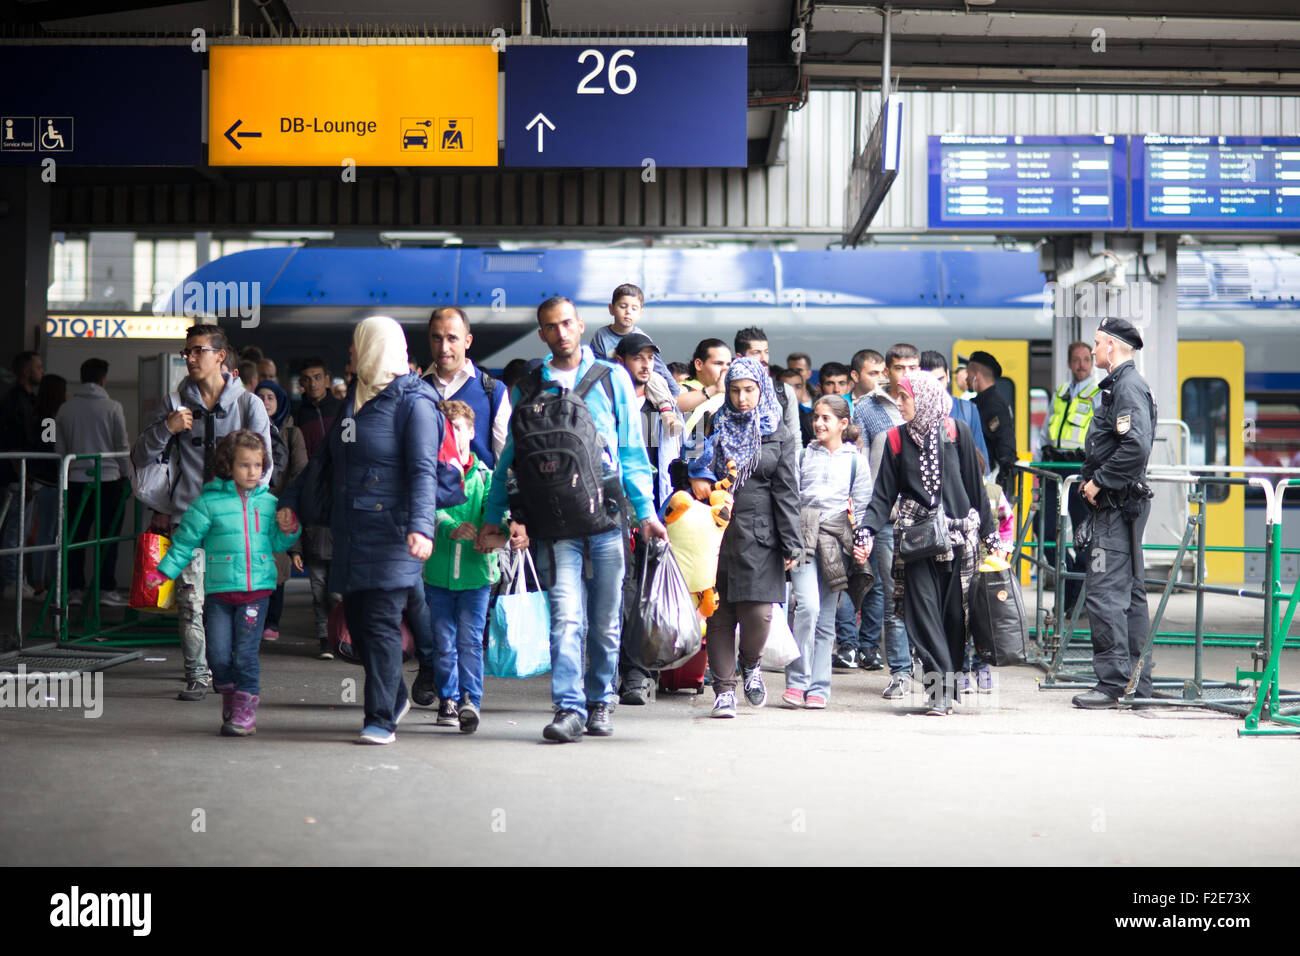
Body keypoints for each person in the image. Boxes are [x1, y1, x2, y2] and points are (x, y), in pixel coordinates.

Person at [476, 297, 668, 744]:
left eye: (567, 324)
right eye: (550, 327)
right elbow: (512, 456)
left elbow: (632, 453)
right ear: (541, 334)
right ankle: (569, 708)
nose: (561, 333)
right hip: (554, 522)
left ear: (581, 326)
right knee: (566, 619)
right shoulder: (528, 383)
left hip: (608, 518)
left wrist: (646, 513)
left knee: (604, 621)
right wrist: (494, 515)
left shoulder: (612, 377)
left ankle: (601, 700)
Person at [281, 315, 465, 744]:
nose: (350, 353)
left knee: (381, 623)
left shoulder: (414, 403)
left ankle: (380, 717)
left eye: (356, 344)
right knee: (360, 625)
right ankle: (396, 693)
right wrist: (290, 502)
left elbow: (422, 470)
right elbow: (326, 461)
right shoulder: (354, 403)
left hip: (395, 532)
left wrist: (422, 527)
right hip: (352, 531)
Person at [133, 324, 273, 701]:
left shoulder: (249, 405)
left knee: (228, 601)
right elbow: (141, 455)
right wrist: (167, 428)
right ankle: (197, 674)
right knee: (191, 600)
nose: (190, 358)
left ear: (220, 356)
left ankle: (228, 670)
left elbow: (266, 466)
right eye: (187, 351)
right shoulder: (174, 403)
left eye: (198, 351)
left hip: (233, 526)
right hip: (188, 519)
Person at [856, 372, 1003, 715]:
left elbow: (975, 491)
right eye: (898, 397)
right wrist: (865, 530)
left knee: (954, 618)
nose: (899, 403)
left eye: (904, 398)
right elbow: (882, 496)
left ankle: (947, 690)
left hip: (958, 541)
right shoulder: (894, 440)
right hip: (917, 543)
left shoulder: (956, 432)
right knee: (922, 617)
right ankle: (938, 692)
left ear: (922, 399)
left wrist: (991, 537)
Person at [149, 431, 300, 736]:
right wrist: (164, 572)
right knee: (217, 656)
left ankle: (245, 711)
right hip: (219, 592)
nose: (253, 472)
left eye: (258, 465)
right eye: (245, 465)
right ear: (227, 466)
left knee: (245, 654)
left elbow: (277, 541)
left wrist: (290, 528)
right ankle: (231, 699)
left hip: (256, 592)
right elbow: (185, 542)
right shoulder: (208, 503)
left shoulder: (270, 503)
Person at [413, 307, 519, 705]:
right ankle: (439, 679)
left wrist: (506, 519)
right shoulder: (414, 389)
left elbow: (504, 458)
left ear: (467, 341)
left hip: (477, 512)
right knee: (430, 611)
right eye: (437, 338)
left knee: (469, 622)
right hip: (426, 516)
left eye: (453, 337)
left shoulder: (492, 391)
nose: (444, 346)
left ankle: (461, 695)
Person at [687, 356, 801, 719]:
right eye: (734, 390)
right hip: (716, 531)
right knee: (718, 613)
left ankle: (750, 664)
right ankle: (723, 691)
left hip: (762, 532)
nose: (741, 398)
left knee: (758, 614)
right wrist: (696, 474)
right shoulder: (712, 421)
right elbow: (687, 459)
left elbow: (787, 490)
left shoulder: (777, 431)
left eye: (749, 390)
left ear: (761, 388)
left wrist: (791, 542)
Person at [1072, 317, 1156, 710]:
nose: (1092, 350)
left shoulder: (1126, 387)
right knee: (1131, 595)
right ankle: (1136, 683)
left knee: (1105, 594)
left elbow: (1135, 447)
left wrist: (1098, 482)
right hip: (1124, 506)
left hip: (1115, 506)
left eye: (1096, 343)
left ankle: (1112, 683)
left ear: (1111, 347)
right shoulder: (1123, 387)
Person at [783, 395, 872, 709]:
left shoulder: (855, 461)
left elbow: (861, 510)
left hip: (836, 543)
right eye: (816, 417)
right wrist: (786, 542)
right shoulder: (802, 457)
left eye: (826, 419)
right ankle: (797, 680)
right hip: (802, 538)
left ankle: (819, 687)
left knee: (826, 618)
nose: (818, 423)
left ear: (843, 424)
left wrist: (863, 544)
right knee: (806, 606)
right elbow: (789, 501)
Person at [423, 400, 499, 734]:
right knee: (442, 642)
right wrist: (447, 526)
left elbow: (494, 511)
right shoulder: (431, 474)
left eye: (458, 428)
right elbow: (427, 508)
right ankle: (448, 698)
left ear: (471, 431)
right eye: (445, 429)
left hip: (475, 575)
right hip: (437, 573)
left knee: (469, 641)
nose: (451, 435)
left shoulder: (485, 475)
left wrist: (492, 531)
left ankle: (471, 700)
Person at [850, 343, 919, 691]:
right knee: (894, 596)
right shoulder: (866, 408)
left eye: (912, 367)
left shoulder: (932, 406)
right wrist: (863, 520)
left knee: (930, 595)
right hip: (888, 518)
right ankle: (901, 672)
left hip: (926, 519)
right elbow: (859, 464)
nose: (905, 374)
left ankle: (932, 664)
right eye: (898, 367)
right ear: (886, 370)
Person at [56, 358, 130, 606]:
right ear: (103, 379)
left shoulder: (66, 409)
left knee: (76, 537)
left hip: (75, 480)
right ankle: (105, 589)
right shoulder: (113, 407)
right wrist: (127, 475)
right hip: (109, 480)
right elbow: (121, 445)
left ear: (82, 376)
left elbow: (61, 448)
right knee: (107, 537)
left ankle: (74, 589)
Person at [1040, 341, 1101, 612]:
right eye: (1076, 359)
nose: (1081, 364)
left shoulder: (1098, 393)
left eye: (1086, 359)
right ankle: (1070, 590)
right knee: (1046, 533)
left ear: (1092, 361)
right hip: (1054, 469)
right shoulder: (1061, 392)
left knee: (1084, 536)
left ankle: (1073, 597)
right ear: (1069, 363)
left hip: (1081, 473)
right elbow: (1045, 431)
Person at [291, 357, 343, 660]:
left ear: (327, 378)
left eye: (317, 377)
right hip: (312, 492)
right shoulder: (300, 416)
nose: (312, 384)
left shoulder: (342, 411)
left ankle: (340, 635)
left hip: (337, 492)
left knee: (337, 590)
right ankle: (325, 637)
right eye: (306, 379)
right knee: (318, 588)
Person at [254, 379, 307, 642]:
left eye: (270, 398)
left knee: (278, 563)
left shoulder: (291, 432)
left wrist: (288, 502)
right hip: (252, 507)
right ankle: (255, 618)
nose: (264, 402)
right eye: (260, 396)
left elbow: (299, 471)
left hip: (279, 506)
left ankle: (272, 619)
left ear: (280, 402)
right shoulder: (247, 429)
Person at [0, 350, 43, 599]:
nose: (42, 371)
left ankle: (17, 580)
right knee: (16, 529)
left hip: (24, 474)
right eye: (38, 367)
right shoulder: (16, 401)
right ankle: (11, 582)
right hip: (17, 476)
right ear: (26, 371)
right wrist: (23, 477)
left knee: (22, 530)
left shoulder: (28, 400)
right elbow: (13, 444)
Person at [589, 283, 680, 399]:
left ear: (640, 313)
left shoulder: (642, 338)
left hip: (638, 392)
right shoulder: (601, 336)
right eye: (623, 306)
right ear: (611, 309)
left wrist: (674, 391)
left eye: (634, 308)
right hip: (611, 391)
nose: (628, 312)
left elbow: (659, 368)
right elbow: (595, 370)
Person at [29, 374, 67, 595]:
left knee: (49, 533)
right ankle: (40, 583)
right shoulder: (49, 419)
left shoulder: (43, 416)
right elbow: (49, 449)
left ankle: (48, 582)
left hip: (45, 482)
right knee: (47, 533)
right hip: (49, 482)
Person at [920, 350, 988, 466]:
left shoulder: (968, 410)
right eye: (930, 381)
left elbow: (981, 460)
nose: (937, 386)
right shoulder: (911, 412)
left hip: (961, 481)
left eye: (940, 379)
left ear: (947, 375)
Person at [734, 327, 801, 440]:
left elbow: (795, 439)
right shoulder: (729, 391)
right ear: (739, 358)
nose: (764, 358)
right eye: (756, 353)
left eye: (766, 352)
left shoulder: (784, 392)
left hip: (779, 455)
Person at [967, 350, 1017, 499]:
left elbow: (1004, 446)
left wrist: (1001, 484)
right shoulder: (979, 403)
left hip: (990, 478)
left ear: (976, 376)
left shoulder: (993, 405)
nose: (966, 380)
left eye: (969, 375)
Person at [678, 338, 731, 435]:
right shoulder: (685, 388)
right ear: (699, 364)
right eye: (718, 363)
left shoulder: (733, 393)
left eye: (728, 364)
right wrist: (714, 389)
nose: (725, 369)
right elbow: (673, 403)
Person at [780, 367, 816, 446]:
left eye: (798, 387)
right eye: (787, 387)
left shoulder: (812, 417)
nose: (793, 392)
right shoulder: (767, 416)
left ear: (804, 389)